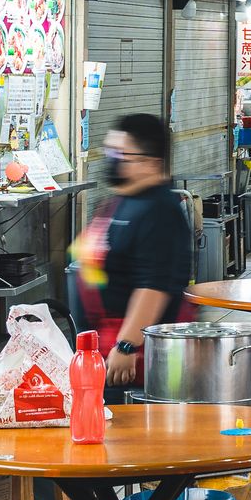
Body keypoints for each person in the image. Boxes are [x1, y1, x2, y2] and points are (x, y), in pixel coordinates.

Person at [68, 112, 194, 390]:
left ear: (151, 163)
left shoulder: (160, 211)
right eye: (111, 151)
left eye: (121, 154)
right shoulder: (120, 201)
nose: (112, 160)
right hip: (103, 347)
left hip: (140, 358)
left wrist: (126, 346)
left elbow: (154, 286)